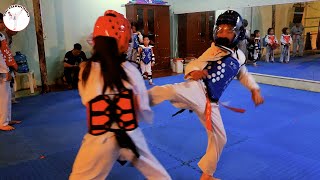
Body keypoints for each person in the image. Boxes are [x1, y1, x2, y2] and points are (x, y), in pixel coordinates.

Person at [148, 10, 264, 180]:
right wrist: (193, 72)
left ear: (238, 33)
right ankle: (133, 101)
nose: (223, 32)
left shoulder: (239, 56)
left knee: (220, 138)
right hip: (198, 88)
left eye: (229, 29)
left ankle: (207, 175)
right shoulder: (214, 50)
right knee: (170, 90)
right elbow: (196, 64)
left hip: (211, 102)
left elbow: (243, 74)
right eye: (221, 29)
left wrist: (254, 89)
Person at [69, 10, 171, 180]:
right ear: (123, 40)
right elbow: (143, 108)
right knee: (157, 174)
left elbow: (87, 100)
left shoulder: (85, 70)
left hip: (99, 138)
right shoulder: (130, 71)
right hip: (130, 135)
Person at [0, 13, 20, 131]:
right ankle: (3, 122)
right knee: (4, 97)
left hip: (5, 68)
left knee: (6, 96)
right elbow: (0, 56)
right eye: (2, 22)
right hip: (2, 70)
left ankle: (6, 118)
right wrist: (6, 70)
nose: (4, 24)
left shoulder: (2, 36)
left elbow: (6, 53)